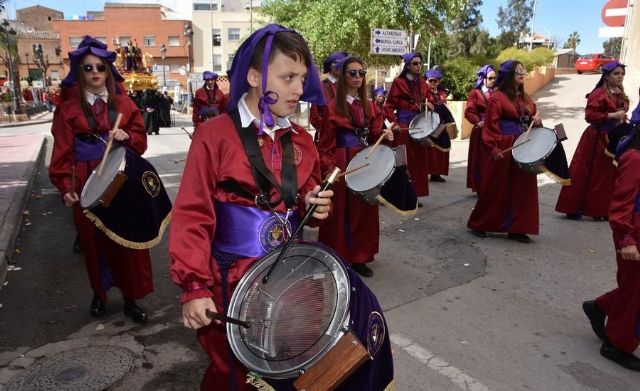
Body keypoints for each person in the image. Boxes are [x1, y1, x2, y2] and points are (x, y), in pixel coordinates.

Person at [169, 24, 393, 390]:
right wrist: (194, 286)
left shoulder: (302, 140)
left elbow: (309, 197)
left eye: (302, 78)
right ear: (255, 77)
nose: (298, 89)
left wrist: (314, 203)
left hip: (292, 274)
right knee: (235, 373)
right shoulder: (215, 136)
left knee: (288, 364)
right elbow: (192, 215)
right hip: (231, 279)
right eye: (288, 77)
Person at [48, 35, 152, 323]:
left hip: (121, 179)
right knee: (94, 242)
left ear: (109, 71)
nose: (95, 73)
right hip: (86, 180)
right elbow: (62, 152)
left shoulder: (126, 105)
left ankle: (131, 297)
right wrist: (66, 187)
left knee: (126, 238)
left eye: (100, 68)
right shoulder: (68, 110)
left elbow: (141, 143)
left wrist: (127, 136)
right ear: (78, 73)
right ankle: (99, 292)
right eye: (88, 68)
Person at [317, 56, 393, 278]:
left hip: (365, 161)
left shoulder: (369, 106)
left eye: (361, 72)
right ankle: (338, 256)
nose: (358, 77)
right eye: (353, 72)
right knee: (340, 212)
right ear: (343, 76)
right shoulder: (331, 108)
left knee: (365, 210)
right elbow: (324, 146)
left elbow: (375, 134)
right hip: (343, 164)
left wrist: (385, 135)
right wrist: (330, 170)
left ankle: (361, 256)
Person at [583, 100, 640, 371]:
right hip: (633, 231)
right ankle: (617, 344)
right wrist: (626, 239)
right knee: (636, 290)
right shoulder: (634, 158)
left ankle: (600, 307)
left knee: (634, 289)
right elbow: (620, 206)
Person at [467, 60, 542, 243]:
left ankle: (517, 227)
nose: (522, 74)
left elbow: (531, 115)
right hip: (504, 145)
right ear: (509, 75)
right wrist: (493, 148)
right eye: (518, 71)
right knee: (496, 187)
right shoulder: (497, 97)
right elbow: (490, 126)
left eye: (523, 70)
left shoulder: (524, 97)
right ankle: (480, 223)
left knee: (522, 188)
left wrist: (537, 120)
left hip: (523, 144)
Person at [555, 61, 629, 220]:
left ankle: (599, 210)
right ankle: (574, 208)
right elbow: (589, 116)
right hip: (596, 138)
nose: (620, 76)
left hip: (613, 138)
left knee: (606, 174)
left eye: (622, 74)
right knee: (585, 172)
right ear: (607, 76)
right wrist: (610, 115)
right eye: (616, 74)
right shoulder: (598, 93)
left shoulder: (620, 93)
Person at [384, 52, 429, 198]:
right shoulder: (398, 82)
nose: (419, 66)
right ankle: (400, 195)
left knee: (418, 162)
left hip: (420, 127)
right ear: (408, 66)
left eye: (420, 63)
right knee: (403, 163)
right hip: (403, 127)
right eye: (415, 63)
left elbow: (426, 101)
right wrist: (394, 124)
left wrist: (430, 105)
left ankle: (414, 195)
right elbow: (388, 106)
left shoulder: (423, 82)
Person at [465, 65, 496, 193]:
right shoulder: (475, 93)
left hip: (494, 129)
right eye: (490, 78)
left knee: (492, 158)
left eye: (495, 78)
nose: (493, 80)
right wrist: (478, 121)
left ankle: (491, 185)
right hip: (480, 131)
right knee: (479, 159)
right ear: (483, 78)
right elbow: (469, 111)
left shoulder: (497, 93)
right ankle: (480, 187)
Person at [309, 51, 349, 141]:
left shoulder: (348, 87)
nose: (338, 65)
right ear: (329, 65)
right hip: (327, 139)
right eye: (335, 62)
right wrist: (326, 129)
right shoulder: (321, 87)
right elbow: (314, 115)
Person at [424, 68, 452, 183]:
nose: (432, 83)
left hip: (440, 125)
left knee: (440, 150)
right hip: (429, 124)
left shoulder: (441, 94)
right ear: (426, 81)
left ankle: (437, 173)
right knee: (430, 150)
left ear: (438, 82)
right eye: (430, 81)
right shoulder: (424, 94)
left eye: (435, 81)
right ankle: (427, 172)